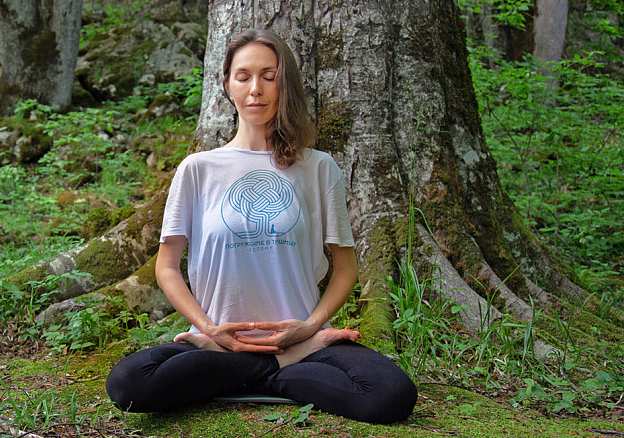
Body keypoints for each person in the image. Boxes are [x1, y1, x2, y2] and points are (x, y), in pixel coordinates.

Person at [105, 28, 417, 424]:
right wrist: (209, 330)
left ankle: (262, 374)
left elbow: (346, 268)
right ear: (227, 85)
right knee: (129, 383)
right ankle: (278, 373)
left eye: (269, 77)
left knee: (392, 396)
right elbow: (166, 267)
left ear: (285, 85)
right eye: (244, 76)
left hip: (305, 343)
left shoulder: (319, 168)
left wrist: (309, 329)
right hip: (218, 345)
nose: (256, 89)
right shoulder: (198, 169)